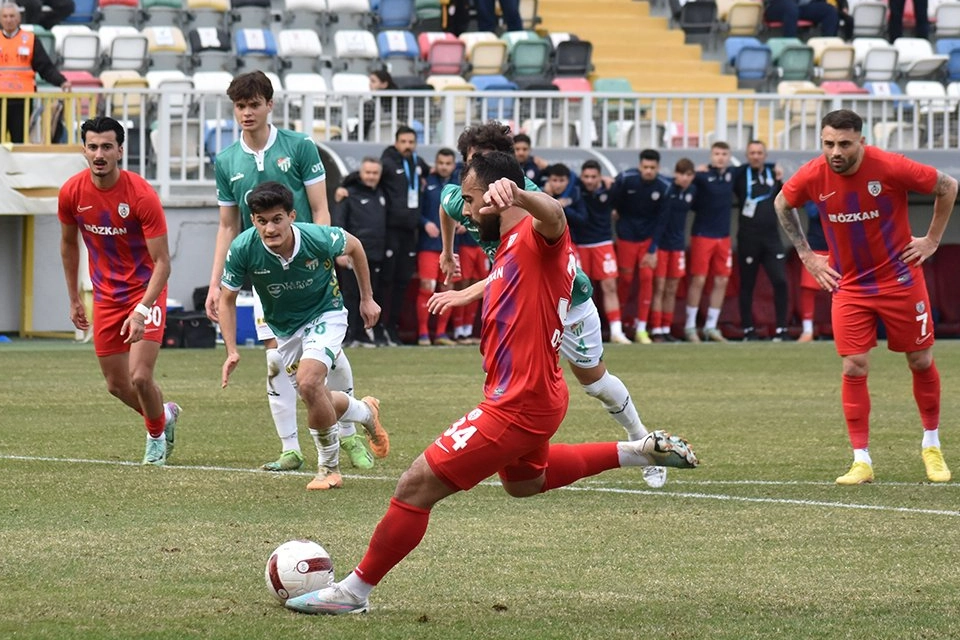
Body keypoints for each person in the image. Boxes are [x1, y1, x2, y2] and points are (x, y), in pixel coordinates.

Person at [284, 151, 699, 616]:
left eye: (472, 199)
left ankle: (353, 592)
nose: (466, 212)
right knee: (525, 484)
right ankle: (637, 450)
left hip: (517, 404)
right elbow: (466, 217)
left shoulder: (533, 235)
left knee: (413, 485)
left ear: (498, 197)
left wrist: (522, 193)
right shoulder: (505, 247)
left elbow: (555, 217)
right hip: (536, 395)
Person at [432, 122, 669, 489]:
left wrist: (466, 293)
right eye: (471, 162)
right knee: (518, 385)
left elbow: (523, 267)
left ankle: (641, 439)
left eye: (484, 161)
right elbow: (447, 207)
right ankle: (524, 458)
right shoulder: (467, 193)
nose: (475, 172)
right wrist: (447, 253)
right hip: (520, 305)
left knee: (595, 383)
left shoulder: (525, 202)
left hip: (564, 302)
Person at [205, 71, 377, 473]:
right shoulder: (227, 160)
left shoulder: (299, 146)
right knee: (276, 362)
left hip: (305, 259)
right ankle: (290, 448)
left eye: (254, 104)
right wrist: (217, 282)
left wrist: (330, 250)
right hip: (263, 271)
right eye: (240, 106)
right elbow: (228, 226)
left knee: (326, 360)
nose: (247, 113)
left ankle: (350, 435)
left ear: (270, 105)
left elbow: (318, 208)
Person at [775, 108, 957, 485]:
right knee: (853, 366)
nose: (835, 152)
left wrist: (932, 239)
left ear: (861, 140)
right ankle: (861, 460)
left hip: (902, 281)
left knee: (921, 360)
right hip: (851, 286)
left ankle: (932, 446)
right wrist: (807, 256)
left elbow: (947, 185)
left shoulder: (891, 166)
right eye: (828, 144)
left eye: (844, 144)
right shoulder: (813, 174)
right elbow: (782, 204)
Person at [219, 182, 390, 491]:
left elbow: (355, 247)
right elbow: (226, 299)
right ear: (253, 220)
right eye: (261, 221)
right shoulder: (243, 248)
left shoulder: (317, 237)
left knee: (311, 381)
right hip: (285, 329)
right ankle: (365, 412)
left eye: (277, 219)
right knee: (316, 397)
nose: (270, 228)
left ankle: (329, 469)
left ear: (291, 216)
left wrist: (367, 298)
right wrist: (231, 350)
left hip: (327, 313)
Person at [57, 116, 181, 466]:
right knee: (116, 385)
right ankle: (164, 416)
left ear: (120, 151)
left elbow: (163, 263)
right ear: (84, 149)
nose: (99, 154)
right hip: (106, 297)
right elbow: (68, 246)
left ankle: (155, 438)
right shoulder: (71, 192)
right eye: (93, 146)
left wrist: (142, 310)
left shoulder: (141, 195)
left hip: (146, 291)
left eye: (107, 147)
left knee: (141, 376)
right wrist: (73, 299)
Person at [611, 149, 671, 344]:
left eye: (652, 168)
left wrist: (653, 249)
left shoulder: (664, 186)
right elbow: (613, 202)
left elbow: (663, 221)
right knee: (625, 280)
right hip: (627, 238)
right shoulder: (626, 179)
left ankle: (642, 329)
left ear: (658, 168)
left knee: (647, 280)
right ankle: (618, 326)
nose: (648, 171)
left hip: (647, 240)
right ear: (640, 166)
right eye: (645, 167)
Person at [733, 140, 790, 342]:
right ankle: (748, 330)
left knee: (781, 281)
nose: (756, 156)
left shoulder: (773, 173)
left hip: (771, 238)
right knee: (747, 284)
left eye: (759, 152)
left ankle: (782, 330)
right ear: (747, 155)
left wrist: (780, 178)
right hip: (748, 238)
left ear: (765, 155)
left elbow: (786, 197)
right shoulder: (739, 174)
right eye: (752, 153)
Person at [379, 125, 431, 345]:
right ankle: (380, 328)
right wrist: (345, 186)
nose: (408, 146)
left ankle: (393, 328)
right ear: (396, 142)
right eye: (404, 142)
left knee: (402, 282)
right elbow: (365, 176)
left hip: (411, 231)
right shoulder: (387, 163)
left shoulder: (417, 163)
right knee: (386, 281)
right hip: (391, 230)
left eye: (411, 142)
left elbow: (430, 170)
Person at [333, 157, 389, 350]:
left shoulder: (382, 193)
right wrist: (340, 251)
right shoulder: (349, 194)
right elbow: (340, 221)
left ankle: (363, 333)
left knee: (370, 295)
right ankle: (347, 334)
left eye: (375, 173)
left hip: (376, 253)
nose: (371, 177)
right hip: (352, 255)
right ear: (361, 173)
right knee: (350, 294)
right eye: (368, 172)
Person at [576, 160, 631, 344]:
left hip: (603, 242)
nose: (589, 181)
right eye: (586, 177)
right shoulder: (575, 187)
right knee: (578, 289)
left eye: (593, 177)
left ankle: (616, 331)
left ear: (600, 177)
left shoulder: (610, 190)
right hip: (580, 245)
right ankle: (580, 332)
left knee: (609, 286)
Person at [686, 141, 736, 343]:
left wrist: (774, 169)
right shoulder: (701, 177)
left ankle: (711, 326)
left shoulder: (733, 174)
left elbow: (759, 165)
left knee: (722, 280)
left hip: (723, 237)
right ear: (711, 155)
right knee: (698, 280)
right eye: (717, 153)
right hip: (702, 235)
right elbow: (680, 179)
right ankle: (690, 327)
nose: (721, 157)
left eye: (724, 153)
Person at [1, 1, 70, 144]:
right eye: (5, 16)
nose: (8, 20)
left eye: (12, 16)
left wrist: (61, 81)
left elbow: (45, 67)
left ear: (19, 18)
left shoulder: (30, 40)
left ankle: (17, 168)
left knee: (19, 143)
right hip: (0, 99)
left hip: (22, 100)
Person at [416, 148, 459, 346]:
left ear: (453, 164)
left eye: (448, 163)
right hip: (429, 244)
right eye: (440, 162)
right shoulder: (426, 182)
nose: (444, 166)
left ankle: (441, 334)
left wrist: (465, 223)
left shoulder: (461, 183)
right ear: (436, 163)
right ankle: (423, 333)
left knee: (447, 287)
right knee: (427, 285)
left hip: (452, 245)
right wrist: (425, 223)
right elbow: (415, 210)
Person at [650, 158, 697, 342]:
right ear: (675, 174)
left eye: (688, 175)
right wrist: (653, 247)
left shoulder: (692, 190)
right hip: (661, 246)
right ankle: (656, 329)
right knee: (659, 287)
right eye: (681, 174)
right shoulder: (667, 188)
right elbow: (660, 220)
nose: (684, 178)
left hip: (678, 246)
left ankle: (666, 327)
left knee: (671, 288)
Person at [796, 201, 829, 342]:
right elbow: (813, 212)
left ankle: (848, 328)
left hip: (840, 245)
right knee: (808, 289)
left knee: (845, 288)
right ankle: (807, 330)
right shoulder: (814, 187)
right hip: (816, 245)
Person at [763, 0, 840, 38]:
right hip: (777, 6)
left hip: (802, 7)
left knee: (830, 11)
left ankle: (826, 46)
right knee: (791, 9)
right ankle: (790, 49)